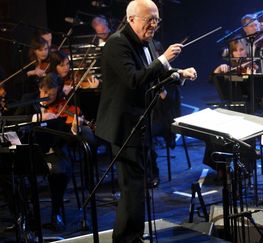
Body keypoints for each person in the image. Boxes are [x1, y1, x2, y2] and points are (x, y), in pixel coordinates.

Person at [95, 0, 197, 242]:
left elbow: (157, 73)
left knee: (137, 185)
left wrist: (178, 74)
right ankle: (126, 239)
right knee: (131, 187)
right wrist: (162, 59)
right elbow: (134, 79)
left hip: (140, 122)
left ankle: (133, 236)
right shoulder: (117, 43)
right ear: (131, 19)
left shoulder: (147, 41)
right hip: (123, 126)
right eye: (149, 19)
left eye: (156, 20)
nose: (154, 25)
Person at [14, 73, 88, 231]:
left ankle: (56, 213)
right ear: (40, 88)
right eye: (45, 93)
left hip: (54, 151)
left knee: (60, 172)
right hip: (30, 151)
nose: (48, 98)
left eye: (53, 95)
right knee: (15, 173)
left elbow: (69, 140)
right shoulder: (29, 98)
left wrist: (74, 128)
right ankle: (27, 215)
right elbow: (15, 120)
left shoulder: (64, 105)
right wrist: (38, 117)